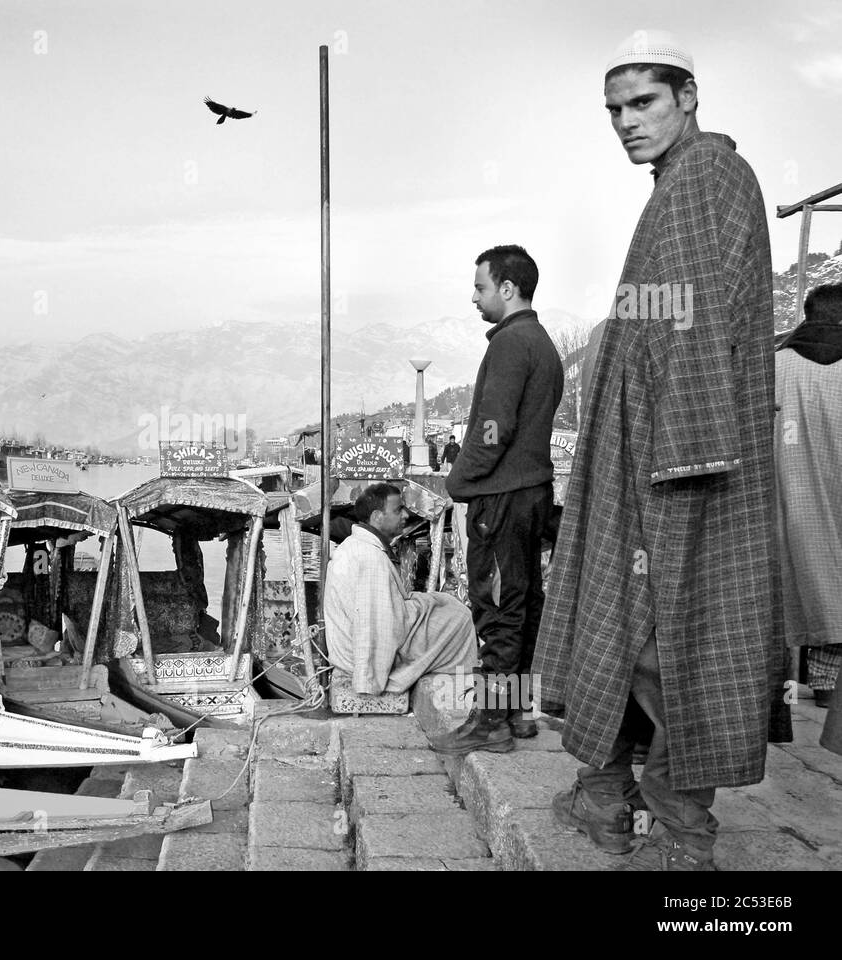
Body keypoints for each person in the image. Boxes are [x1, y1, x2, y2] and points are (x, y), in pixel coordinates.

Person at [532, 30, 780, 871]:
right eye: (614, 109)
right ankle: (604, 797)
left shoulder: (707, 176)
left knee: (664, 639)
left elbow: (700, 328)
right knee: (621, 623)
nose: (626, 123)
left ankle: (683, 835)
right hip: (651, 444)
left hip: (679, 456)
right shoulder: (679, 183)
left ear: (688, 96)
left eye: (643, 103)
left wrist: (676, 452)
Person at [431, 245, 563, 755]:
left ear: (508, 289)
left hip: (501, 498)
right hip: (532, 493)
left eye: (481, 287)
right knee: (525, 603)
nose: (474, 296)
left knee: (498, 607)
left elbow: (492, 430)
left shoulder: (511, 344)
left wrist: (458, 482)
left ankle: (491, 722)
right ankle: (516, 713)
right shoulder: (542, 343)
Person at [323, 482, 477, 697]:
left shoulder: (354, 546)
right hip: (357, 658)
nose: (405, 515)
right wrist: (369, 681)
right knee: (458, 618)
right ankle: (461, 690)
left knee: (443, 603)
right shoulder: (370, 558)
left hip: (350, 648)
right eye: (397, 510)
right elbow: (374, 627)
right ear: (377, 517)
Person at [776, 283, 842, 711]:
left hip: (782, 509)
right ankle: (827, 691)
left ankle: (775, 700)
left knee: (786, 598)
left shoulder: (774, 365)